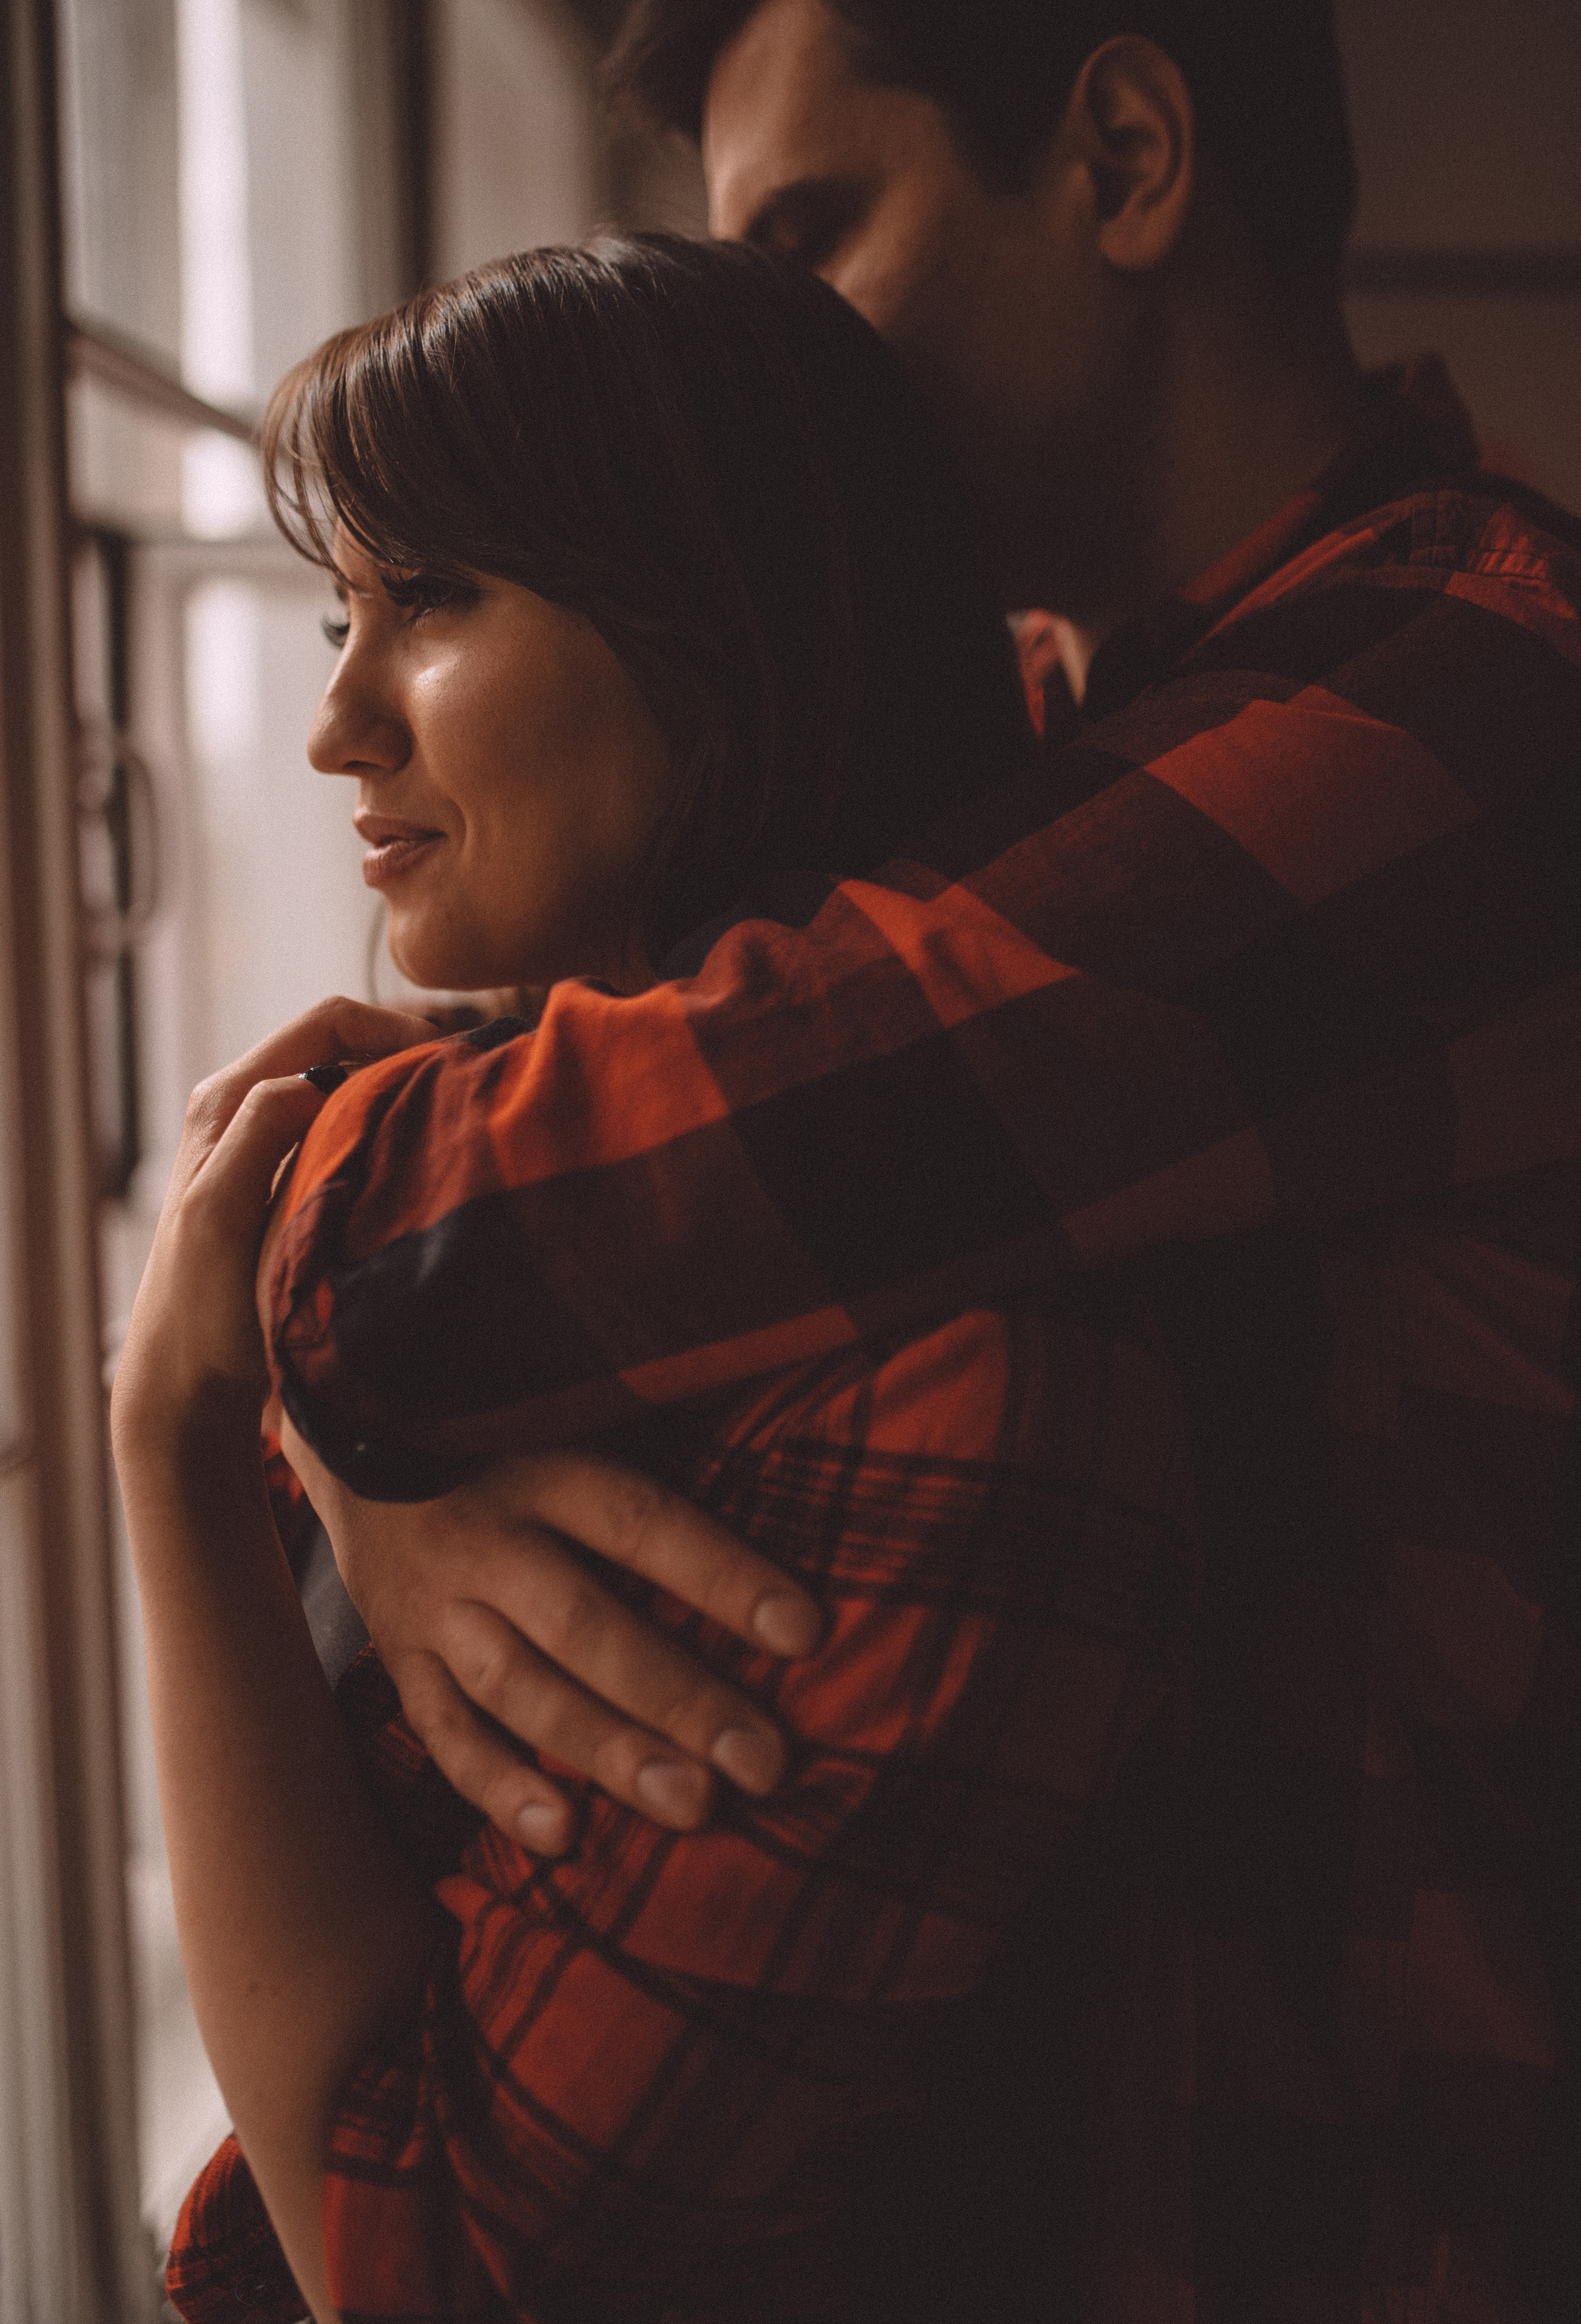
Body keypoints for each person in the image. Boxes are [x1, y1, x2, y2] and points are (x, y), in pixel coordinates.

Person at [239, 0, 1581, 2318]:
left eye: (812, 241)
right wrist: (361, 1459)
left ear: (1128, 159)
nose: (783, 354)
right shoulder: (1053, 732)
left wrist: (275, 1361)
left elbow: (455, 1228)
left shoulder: (1474, 705)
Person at [116, 235, 1202, 2323]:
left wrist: (171, 1439)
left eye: (429, 601)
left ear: (726, 633)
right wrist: (347, 1450)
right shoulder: (443, 1198)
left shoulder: (969, 1376)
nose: (339, 722)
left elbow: (409, 2266)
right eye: (346, 609)